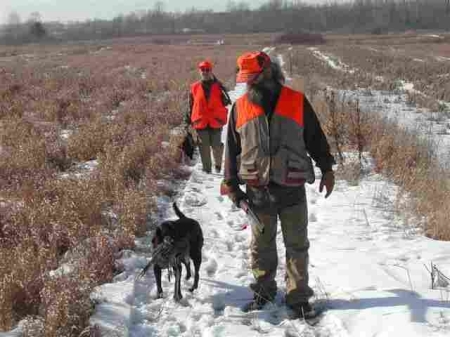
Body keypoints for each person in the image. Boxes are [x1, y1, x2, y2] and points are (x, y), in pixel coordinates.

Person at [221, 51, 335, 319]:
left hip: (292, 187)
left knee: (297, 245)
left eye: (254, 77)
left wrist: (327, 169)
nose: (250, 83)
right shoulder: (240, 107)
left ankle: (298, 299)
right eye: (246, 79)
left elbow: (315, 138)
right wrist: (232, 186)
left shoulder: (297, 101)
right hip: (258, 191)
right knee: (261, 247)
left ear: (269, 71)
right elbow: (232, 150)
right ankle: (264, 291)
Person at [185, 60, 232, 173]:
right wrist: (187, 121)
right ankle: (207, 170)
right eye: (203, 70)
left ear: (211, 71)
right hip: (200, 121)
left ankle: (218, 165)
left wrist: (220, 89)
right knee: (204, 147)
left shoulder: (219, 86)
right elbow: (190, 105)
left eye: (207, 70)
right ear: (199, 71)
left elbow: (227, 102)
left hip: (216, 120)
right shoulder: (194, 87)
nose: (205, 72)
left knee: (216, 146)